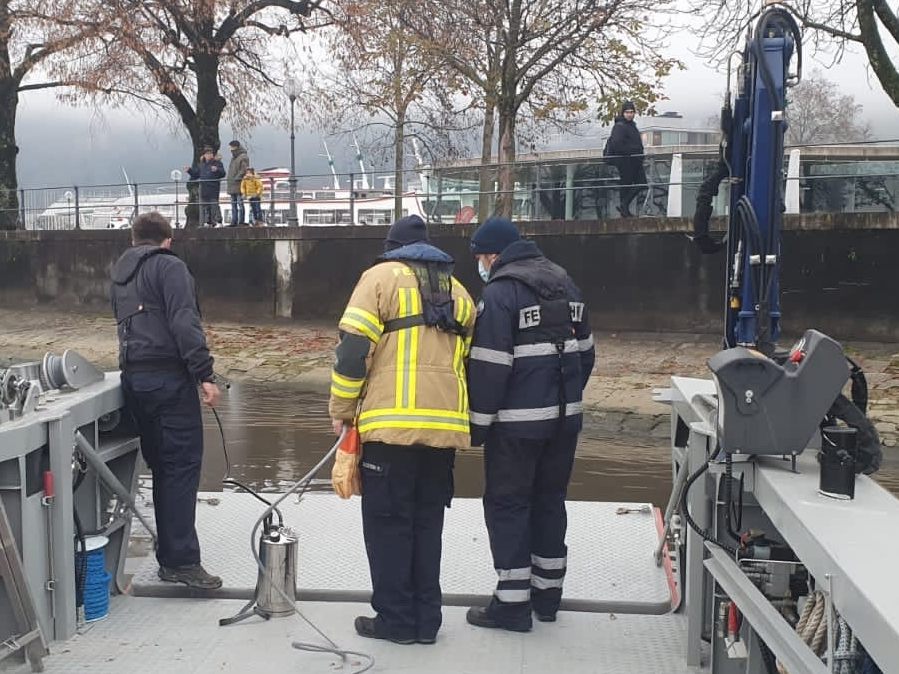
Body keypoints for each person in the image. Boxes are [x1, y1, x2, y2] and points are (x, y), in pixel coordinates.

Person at [328, 214, 476, 645]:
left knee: (388, 526)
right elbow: (466, 362)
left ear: (391, 248)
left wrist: (341, 408)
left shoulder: (378, 280)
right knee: (427, 527)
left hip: (390, 431)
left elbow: (353, 352)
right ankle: (426, 621)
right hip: (443, 433)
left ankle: (394, 620)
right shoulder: (460, 292)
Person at [465, 217, 594, 632]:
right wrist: (566, 400)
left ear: (495, 254)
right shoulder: (567, 283)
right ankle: (548, 596)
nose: (481, 264)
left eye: (481, 257)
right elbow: (586, 355)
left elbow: (489, 368)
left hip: (516, 428)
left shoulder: (501, 294)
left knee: (508, 506)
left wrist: (478, 426)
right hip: (563, 424)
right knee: (549, 501)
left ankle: (512, 605)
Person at [110, 212, 222, 589]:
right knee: (181, 467)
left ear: (133, 240)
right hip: (169, 382)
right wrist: (204, 373)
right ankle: (180, 562)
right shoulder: (169, 268)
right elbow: (183, 322)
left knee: (162, 468)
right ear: (168, 241)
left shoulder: (120, 275)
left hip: (135, 381)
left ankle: (170, 554)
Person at [604, 100, 647, 217]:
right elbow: (617, 144)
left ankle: (624, 206)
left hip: (634, 161)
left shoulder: (631, 126)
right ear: (623, 113)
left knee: (638, 184)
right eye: (627, 112)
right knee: (630, 184)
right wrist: (633, 150)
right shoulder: (620, 126)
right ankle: (624, 208)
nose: (630, 114)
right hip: (626, 161)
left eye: (632, 112)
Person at [185, 147, 224, 227]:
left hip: (213, 188)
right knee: (205, 206)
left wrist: (217, 170)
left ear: (213, 155)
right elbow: (196, 174)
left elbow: (223, 173)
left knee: (214, 206)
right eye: (207, 154)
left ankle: (217, 221)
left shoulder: (217, 163)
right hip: (204, 188)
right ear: (204, 155)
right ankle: (207, 222)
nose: (209, 155)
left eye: (210, 154)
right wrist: (189, 170)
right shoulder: (201, 165)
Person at [226, 140, 250, 226]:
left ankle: (240, 221)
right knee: (233, 204)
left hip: (239, 184)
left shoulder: (242, 157)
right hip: (233, 184)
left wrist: (236, 178)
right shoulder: (234, 157)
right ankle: (234, 221)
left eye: (232, 147)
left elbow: (243, 170)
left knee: (240, 204)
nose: (230, 149)